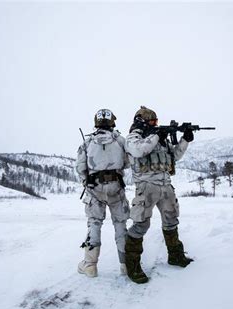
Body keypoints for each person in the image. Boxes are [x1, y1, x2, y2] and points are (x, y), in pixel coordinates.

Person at [124, 106, 194, 284]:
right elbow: (140, 151)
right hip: (146, 186)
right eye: (152, 121)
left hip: (165, 185)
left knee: (171, 221)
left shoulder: (159, 139)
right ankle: (132, 266)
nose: (155, 124)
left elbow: (174, 156)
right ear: (142, 122)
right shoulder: (133, 138)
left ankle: (175, 256)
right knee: (140, 225)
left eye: (156, 121)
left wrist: (185, 139)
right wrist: (157, 135)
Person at [75, 109, 130, 277]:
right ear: (112, 122)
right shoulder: (120, 140)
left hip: (94, 189)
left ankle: (90, 266)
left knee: (94, 223)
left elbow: (79, 168)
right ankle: (126, 265)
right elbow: (127, 163)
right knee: (120, 225)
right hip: (116, 188)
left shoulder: (87, 143)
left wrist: (87, 181)